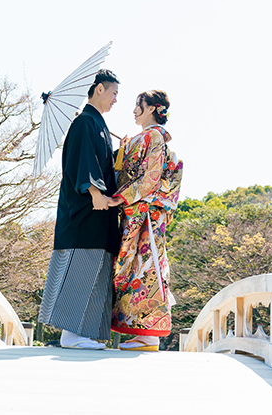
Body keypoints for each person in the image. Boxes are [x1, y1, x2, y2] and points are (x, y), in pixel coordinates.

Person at [38, 69, 121, 349]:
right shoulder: (84, 122)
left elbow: (105, 163)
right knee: (81, 268)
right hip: (84, 212)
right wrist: (95, 192)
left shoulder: (96, 123)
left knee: (95, 270)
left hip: (98, 215)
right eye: (114, 93)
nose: (115, 99)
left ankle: (81, 334)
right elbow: (83, 162)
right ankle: (71, 335)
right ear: (99, 89)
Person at [109, 90, 183, 351]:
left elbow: (150, 177)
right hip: (139, 213)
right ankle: (142, 333)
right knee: (139, 269)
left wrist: (120, 197)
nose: (134, 110)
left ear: (152, 108)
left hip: (144, 215)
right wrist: (124, 149)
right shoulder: (147, 137)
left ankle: (149, 335)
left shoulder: (153, 136)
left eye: (138, 105)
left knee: (145, 268)